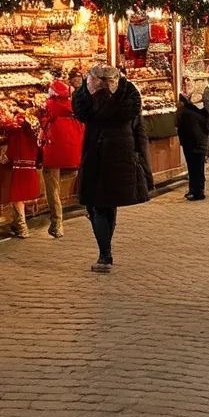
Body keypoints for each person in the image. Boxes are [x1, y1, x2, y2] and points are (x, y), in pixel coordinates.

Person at [72, 64, 153, 273]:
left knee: (97, 206)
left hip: (97, 159)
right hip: (123, 159)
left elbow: (80, 108)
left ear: (94, 82)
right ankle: (105, 252)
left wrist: (84, 88)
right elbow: (140, 134)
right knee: (109, 204)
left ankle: (104, 255)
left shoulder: (89, 104)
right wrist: (145, 166)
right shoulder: (129, 100)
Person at [38, 79, 84, 238]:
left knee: (52, 187)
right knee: (69, 175)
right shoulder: (76, 107)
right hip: (73, 153)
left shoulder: (47, 106)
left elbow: (41, 122)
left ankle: (57, 223)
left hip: (53, 152)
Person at [176, 76, 209, 200]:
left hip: (197, 140)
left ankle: (198, 191)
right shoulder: (187, 106)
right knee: (193, 166)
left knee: (196, 166)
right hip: (189, 139)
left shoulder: (201, 108)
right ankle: (194, 189)